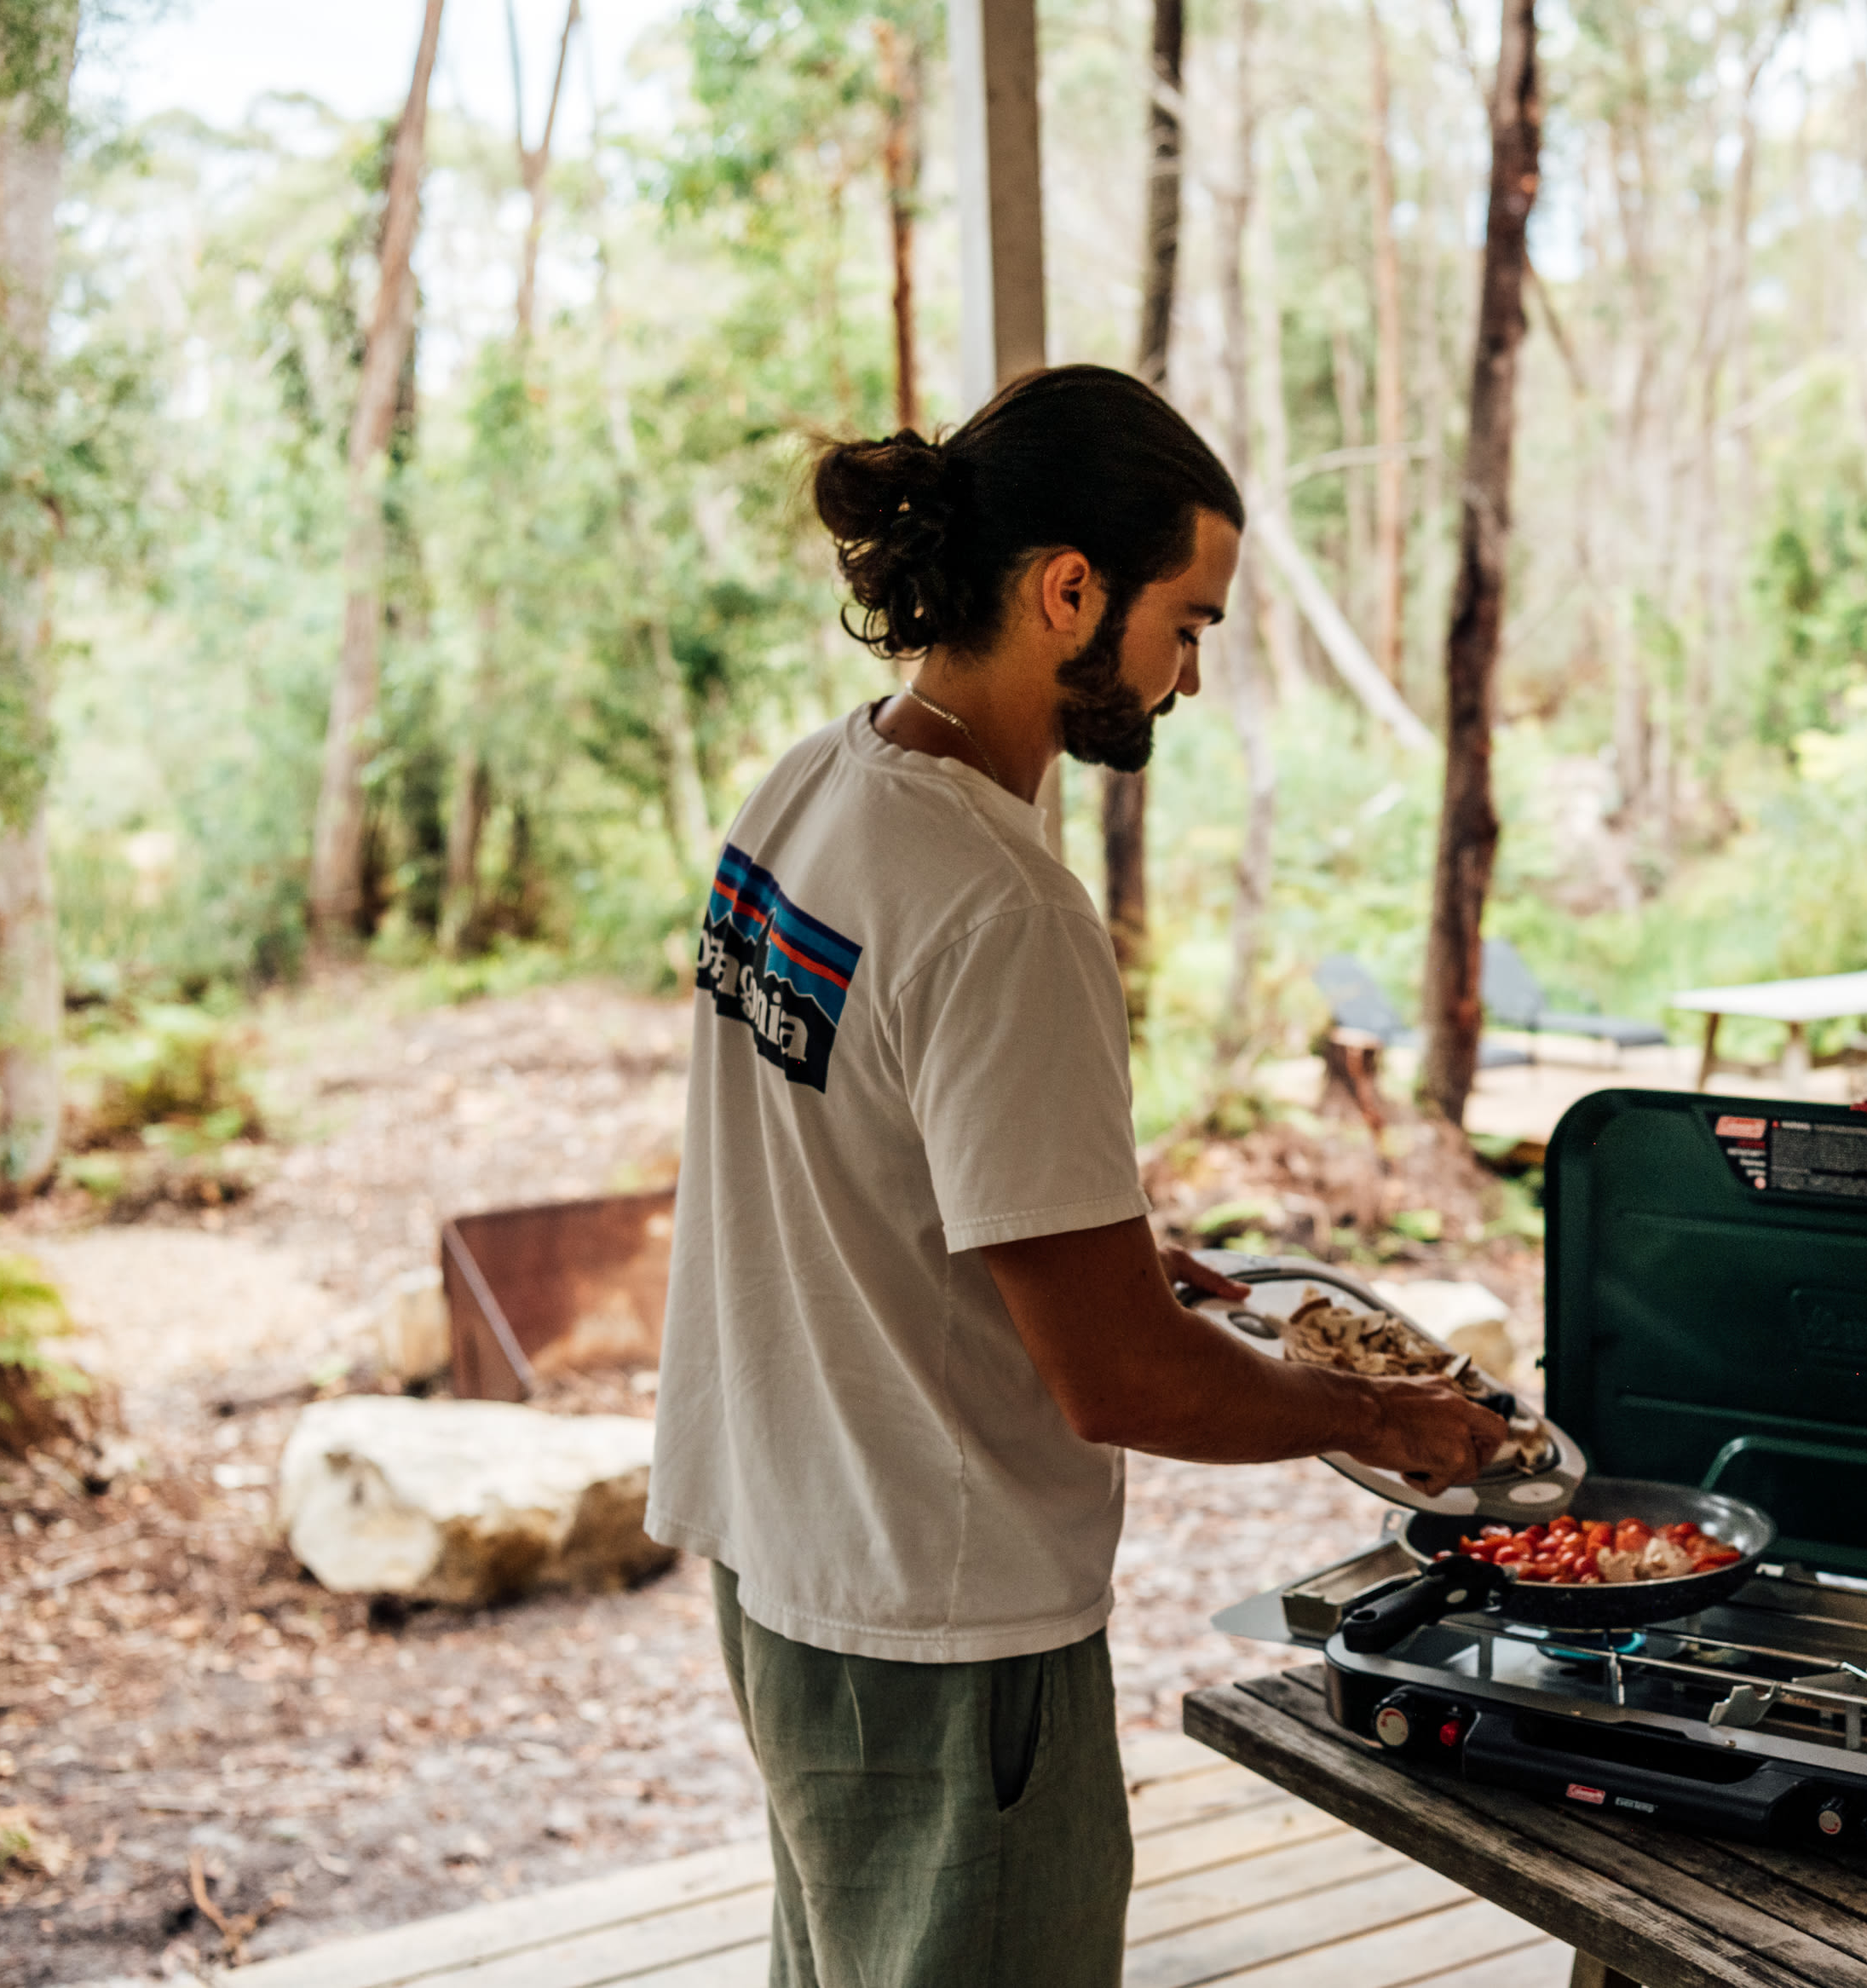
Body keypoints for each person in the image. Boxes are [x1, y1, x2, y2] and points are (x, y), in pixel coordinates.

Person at [645, 365, 1506, 1987]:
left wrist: (1089, 1244)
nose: (1185, 675)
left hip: (784, 1570)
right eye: (1187, 623)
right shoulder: (1005, 907)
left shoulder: (810, 791)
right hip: (946, 1629)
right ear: (1066, 591)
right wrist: (1375, 1416)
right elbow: (1112, 1379)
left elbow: (847, 1156)